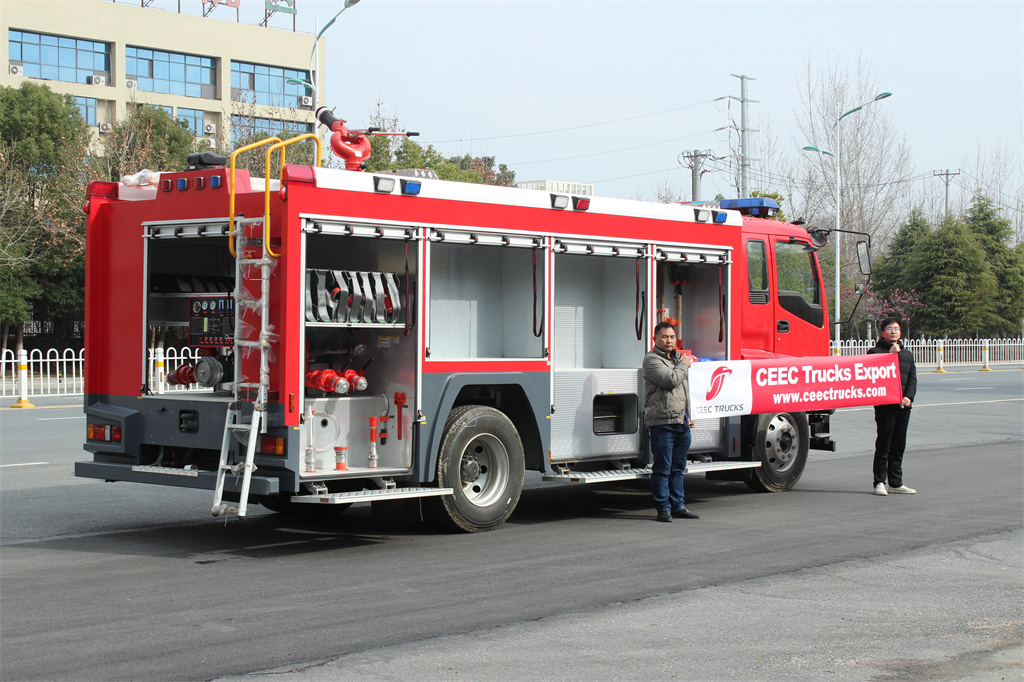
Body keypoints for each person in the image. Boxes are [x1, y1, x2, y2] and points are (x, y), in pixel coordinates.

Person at [642, 321, 700, 522]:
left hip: (681, 423)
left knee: (678, 469)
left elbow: (684, 391)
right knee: (662, 469)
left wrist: (688, 415)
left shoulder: (677, 358)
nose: (669, 340)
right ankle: (663, 509)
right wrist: (685, 364)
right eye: (665, 337)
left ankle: (678, 506)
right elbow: (671, 380)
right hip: (662, 424)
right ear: (655, 339)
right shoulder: (651, 360)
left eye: (672, 337)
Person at [867, 317, 918, 496]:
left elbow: (912, 379)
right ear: (882, 332)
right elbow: (873, 373)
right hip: (885, 406)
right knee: (884, 444)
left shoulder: (907, 354)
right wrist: (891, 354)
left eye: (896, 328)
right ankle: (879, 482)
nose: (893, 331)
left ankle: (896, 483)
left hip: (903, 406)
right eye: (889, 328)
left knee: (899, 445)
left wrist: (908, 397)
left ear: (900, 332)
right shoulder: (875, 352)